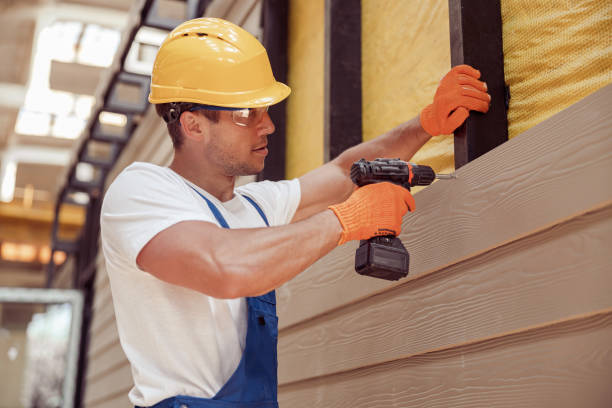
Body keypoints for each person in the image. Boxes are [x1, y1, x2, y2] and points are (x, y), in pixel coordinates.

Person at [100, 17, 490, 408]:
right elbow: (222, 266)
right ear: (194, 125)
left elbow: (342, 173)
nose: (267, 124)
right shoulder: (140, 192)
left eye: (265, 109)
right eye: (246, 113)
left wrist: (426, 124)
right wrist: (347, 220)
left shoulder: (255, 206)